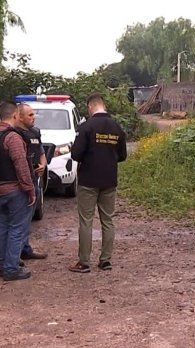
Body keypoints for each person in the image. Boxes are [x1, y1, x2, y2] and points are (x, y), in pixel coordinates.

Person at [69, 93, 127, 273]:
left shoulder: (86, 127)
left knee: (86, 221)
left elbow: (76, 155)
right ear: (104, 106)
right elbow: (123, 155)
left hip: (88, 181)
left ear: (90, 107)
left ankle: (84, 262)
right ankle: (105, 260)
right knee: (107, 220)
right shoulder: (116, 127)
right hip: (109, 180)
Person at [0, 101, 35, 281]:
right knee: (17, 229)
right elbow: (22, 166)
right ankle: (11, 269)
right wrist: (30, 189)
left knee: (5, 227)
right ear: (15, 115)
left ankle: (3, 264)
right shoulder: (12, 137)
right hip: (15, 190)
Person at [17, 103, 48, 260]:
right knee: (19, 220)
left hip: (34, 178)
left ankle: (25, 248)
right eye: (30, 115)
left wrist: (43, 165)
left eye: (33, 114)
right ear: (19, 117)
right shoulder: (16, 134)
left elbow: (41, 152)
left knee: (28, 218)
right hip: (22, 181)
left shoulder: (35, 132)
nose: (33, 117)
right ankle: (18, 253)